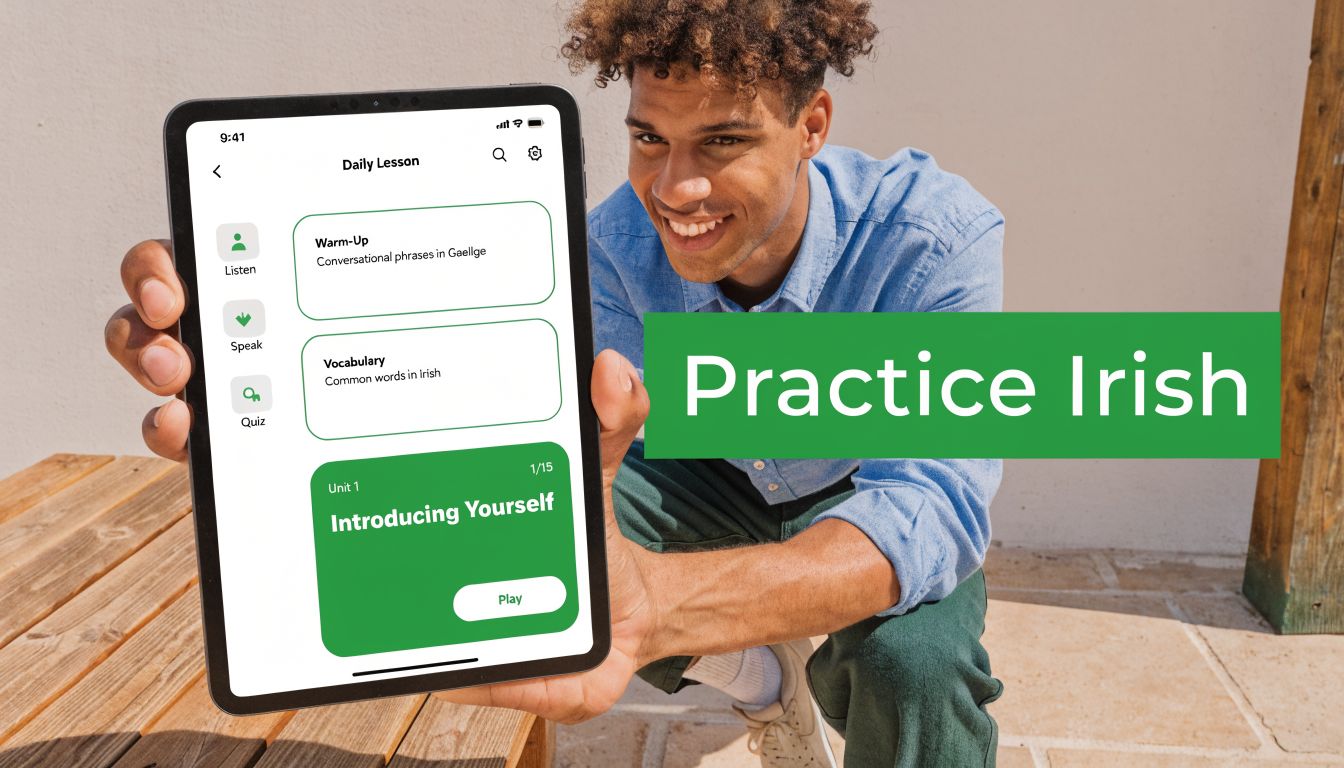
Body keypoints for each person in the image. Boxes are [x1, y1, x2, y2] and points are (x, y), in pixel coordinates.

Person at [104, 2, 1004, 764]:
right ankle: (754, 676)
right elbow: (501, 406)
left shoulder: (931, 240)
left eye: (723, 141)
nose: (676, 188)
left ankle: (751, 649)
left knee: (912, 663)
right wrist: (288, 345)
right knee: (534, 526)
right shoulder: (606, 245)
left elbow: (935, 502)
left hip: (854, 483)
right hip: (704, 472)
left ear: (813, 126)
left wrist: (664, 610)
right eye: (649, 138)